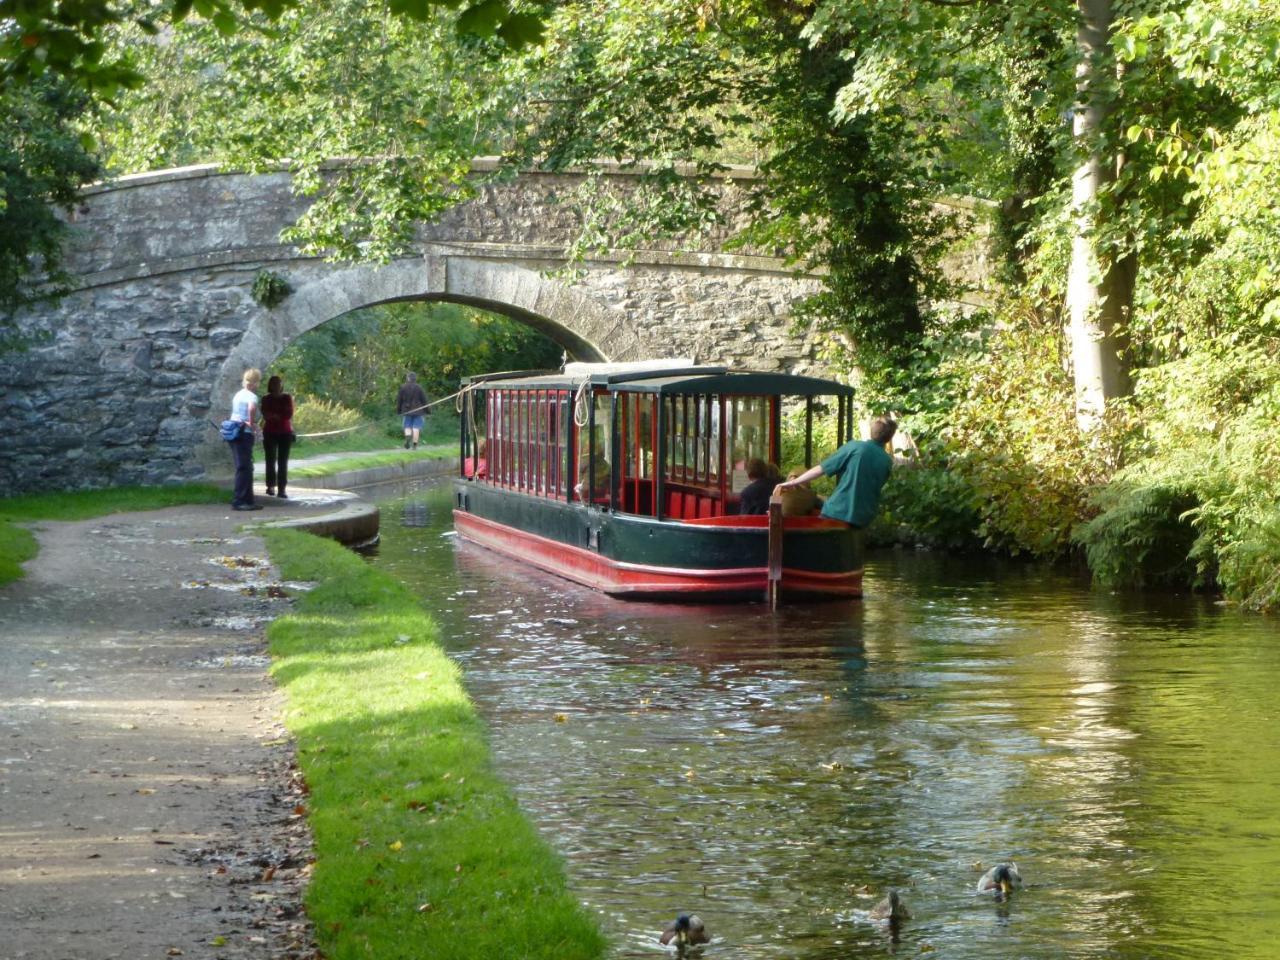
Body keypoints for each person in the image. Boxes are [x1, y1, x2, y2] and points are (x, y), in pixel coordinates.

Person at [775, 416, 897, 528]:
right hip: (864, 517)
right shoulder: (887, 461)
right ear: (890, 437)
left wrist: (792, 482)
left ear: (872, 431)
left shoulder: (855, 447)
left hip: (838, 512)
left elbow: (820, 470)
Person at [228, 368, 262, 511]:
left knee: (246, 467)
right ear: (255, 383)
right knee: (243, 467)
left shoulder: (238, 394)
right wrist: (252, 423)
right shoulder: (251, 397)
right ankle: (239, 501)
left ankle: (248, 500)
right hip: (244, 432)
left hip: (233, 431)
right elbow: (252, 408)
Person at [260, 375, 294, 498]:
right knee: (270, 460)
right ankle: (270, 486)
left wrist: (276, 416)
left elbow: (288, 413)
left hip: (285, 432)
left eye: (279, 383)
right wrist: (275, 416)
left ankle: (282, 488)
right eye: (274, 383)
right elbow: (265, 413)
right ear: (270, 385)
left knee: (283, 461)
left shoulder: (287, 397)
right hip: (270, 432)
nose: (277, 386)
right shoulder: (266, 398)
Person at [396, 372, 429, 449]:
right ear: (415, 379)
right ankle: (414, 445)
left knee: (407, 426)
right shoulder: (419, 388)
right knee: (416, 428)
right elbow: (424, 400)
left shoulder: (403, 387)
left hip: (407, 411)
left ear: (408, 378)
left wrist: (398, 411)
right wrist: (427, 411)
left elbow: (399, 401)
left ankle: (408, 438)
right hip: (418, 411)